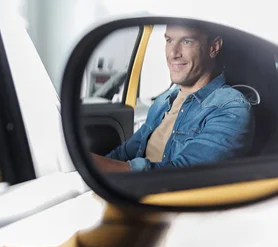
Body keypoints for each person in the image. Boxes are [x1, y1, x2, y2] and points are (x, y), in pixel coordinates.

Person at [92, 22, 254, 173]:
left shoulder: (231, 108)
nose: (173, 53)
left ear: (214, 47)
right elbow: (124, 153)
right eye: (169, 40)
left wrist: (105, 166)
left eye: (187, 41)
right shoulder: (164, 101)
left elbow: (182, 174)